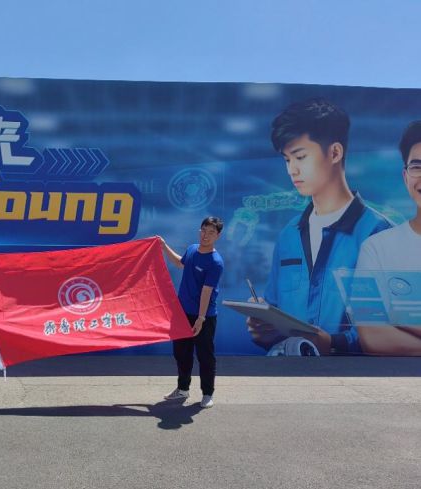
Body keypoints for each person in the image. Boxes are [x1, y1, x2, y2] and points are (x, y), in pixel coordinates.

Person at [247, 98, 391, 355]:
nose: (292, 170)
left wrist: (332, 343)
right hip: (286, 372)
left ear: (335, 153)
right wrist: (264, 329)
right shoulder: (289, 234)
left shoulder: (378, 233)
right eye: (287, 160)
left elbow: (388, 331)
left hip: (350, 376)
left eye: (300, 157)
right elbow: (275, 312)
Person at [354, 121, 421, 355]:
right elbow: (372, 337)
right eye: (417, 166)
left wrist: (399, 322)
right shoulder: (376, 248)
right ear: (405, 176)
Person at [160, 216, 224, 409]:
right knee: (181, 353)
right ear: (199, 231)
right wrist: (164, 246)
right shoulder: (192, 249)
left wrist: (201, 318)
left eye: (211, 232)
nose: (206, 235)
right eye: (204, 230)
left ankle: (207, 394)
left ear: (218, 236)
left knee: (205, 356)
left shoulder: (215, 262)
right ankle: (182, 389)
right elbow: (180, 263)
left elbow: (206, 291)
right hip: (182, 313)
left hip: (204, 316)